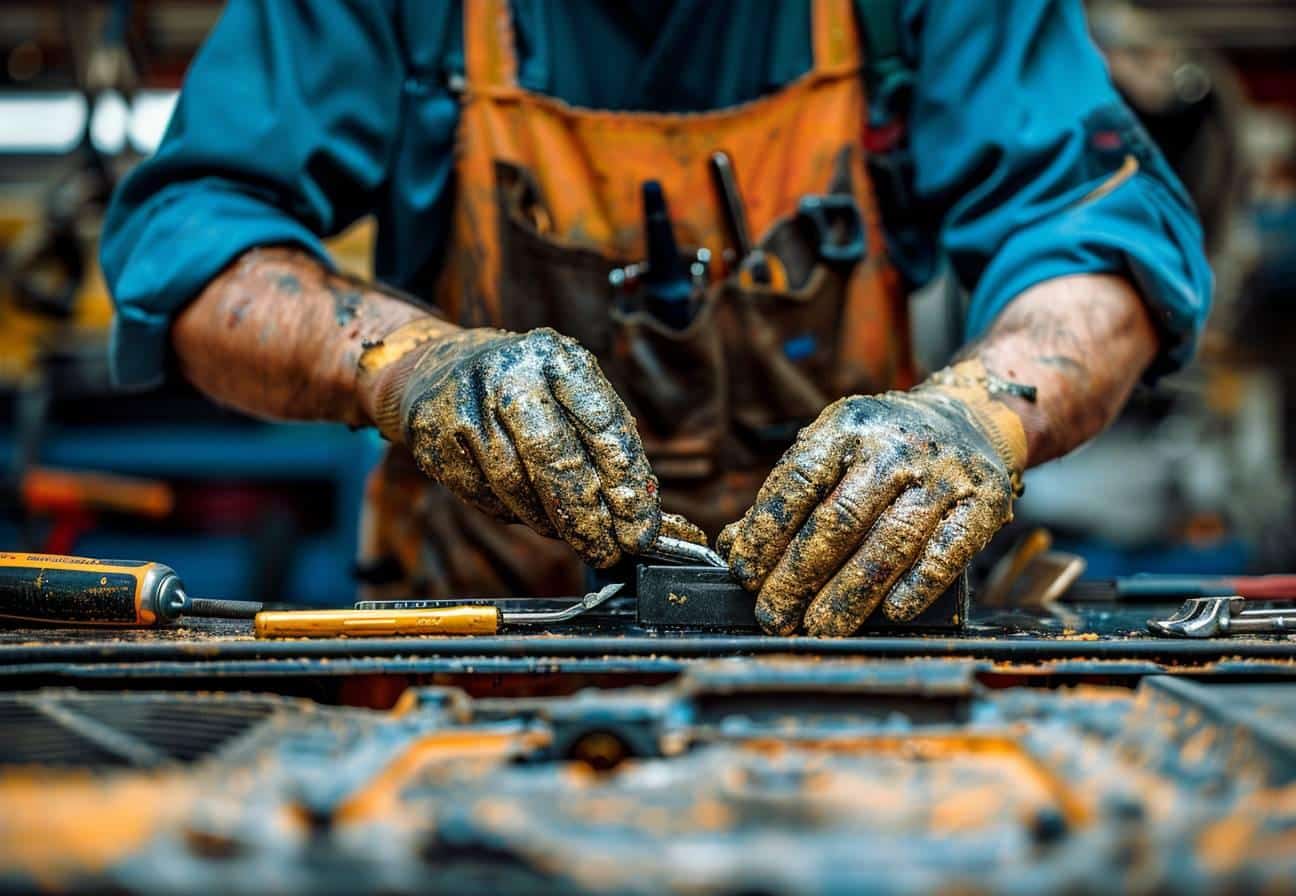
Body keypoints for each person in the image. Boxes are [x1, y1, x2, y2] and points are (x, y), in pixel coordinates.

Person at [101, 0, 1211, 636]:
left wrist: (976, 418)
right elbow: (195, 245)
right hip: (480, 657)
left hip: (854, 652)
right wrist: (408, 365)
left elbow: (1100, 234)